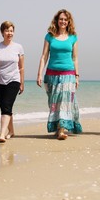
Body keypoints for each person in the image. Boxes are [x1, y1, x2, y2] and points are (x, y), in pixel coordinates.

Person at [36, 9, 82, 140]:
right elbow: (44, 56)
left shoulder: (73, 37)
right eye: (61, 19)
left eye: (65, 19)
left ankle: (62, 129)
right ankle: (57, 128)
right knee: (54, 102)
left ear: (68, 22)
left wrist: (77, 76)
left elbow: (75, 58)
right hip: (51, 74)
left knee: (65, 102)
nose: (63, 21)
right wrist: (39, 74)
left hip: (68, 73)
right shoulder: (49, 36)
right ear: (57, 20)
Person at [0, 21, 24, 143]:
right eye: (7, 30)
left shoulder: (18, 47)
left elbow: (21, 67)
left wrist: (22, 82)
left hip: (13, 81)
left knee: (6, 107)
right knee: (6, 107)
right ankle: (11, 131)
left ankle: (2, 134)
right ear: (2, 32)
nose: (9, 33)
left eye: (11, 30)